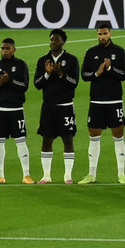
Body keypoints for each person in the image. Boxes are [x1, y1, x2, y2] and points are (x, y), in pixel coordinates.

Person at [78, 24, 125, 185]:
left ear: (110, 33)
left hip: (114, 100)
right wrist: (97, 73)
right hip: (96, 101)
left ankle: (121, 174)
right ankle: (92, 174)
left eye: (105, 33)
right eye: (100, 34)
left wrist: (109, 69)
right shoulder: (91, 52)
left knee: (118, 135)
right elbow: (84, 75)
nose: (102, 37)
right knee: (93, 135)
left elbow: (124, 75)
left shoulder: (119, 52)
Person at [33, 29, 79, 184]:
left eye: (56, 40)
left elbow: (74, 83)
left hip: (65, 106)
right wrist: (47, 74)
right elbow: (37, 84)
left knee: (68, 139)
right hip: (48, 107)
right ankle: (46, 175)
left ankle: (68, 176)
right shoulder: (43, 60)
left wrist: (61, 74)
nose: (53, 42)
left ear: (63, 41)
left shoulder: (71, 60)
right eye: (51, 40)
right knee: (47, 139)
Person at [0, 38, 32, 184]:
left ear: (14, 49)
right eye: (3, 48)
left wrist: (9, 80)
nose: (4, 51)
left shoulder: (21, 65)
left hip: (16, 109)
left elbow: (24, 86)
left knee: (21, 141)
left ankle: (26, 175)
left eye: (7, 48)